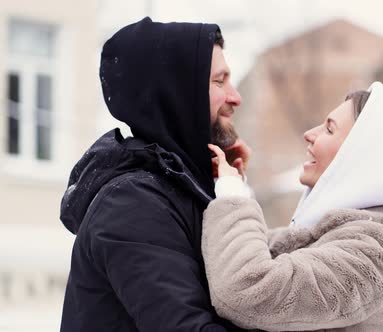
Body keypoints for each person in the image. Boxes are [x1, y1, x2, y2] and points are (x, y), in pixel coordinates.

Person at [204, 82, 383, 331]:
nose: (309, 134)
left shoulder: (379, 254)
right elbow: (254, 253)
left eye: (329, 128)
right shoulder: (342, 236)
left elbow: (249, 289)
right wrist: (234, 184)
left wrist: (234, 197)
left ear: (359, 157)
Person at [59, 17, 249, 331]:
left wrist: (232, 189)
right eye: (219, 81)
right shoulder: (134, 204)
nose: (235, 97)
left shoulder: (175, 191)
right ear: (176, 92)